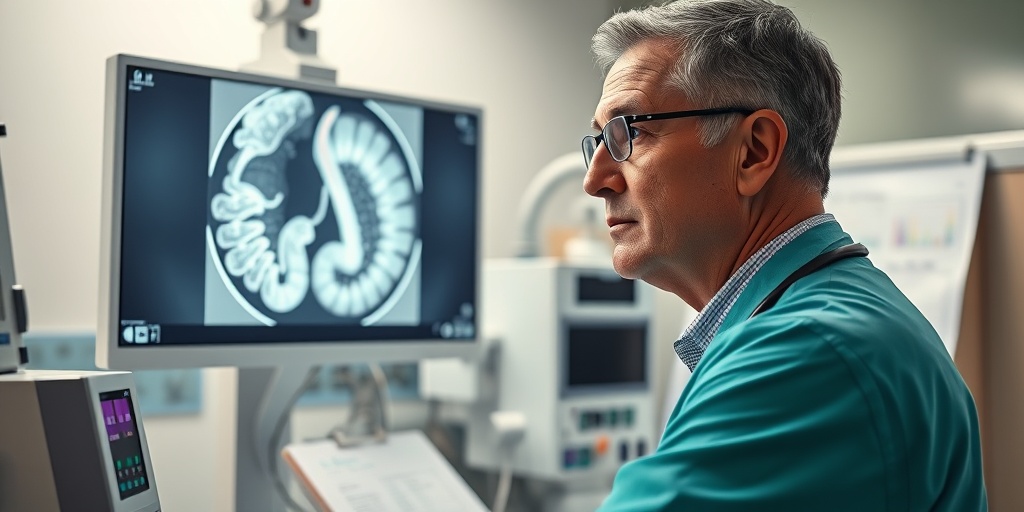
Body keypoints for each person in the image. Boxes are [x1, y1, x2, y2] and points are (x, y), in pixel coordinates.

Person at [581, 0, 987, 510]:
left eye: (630, 133)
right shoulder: (829, 314)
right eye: (598, 141)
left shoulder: (807, 351)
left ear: (753, 151)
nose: (595, 180)